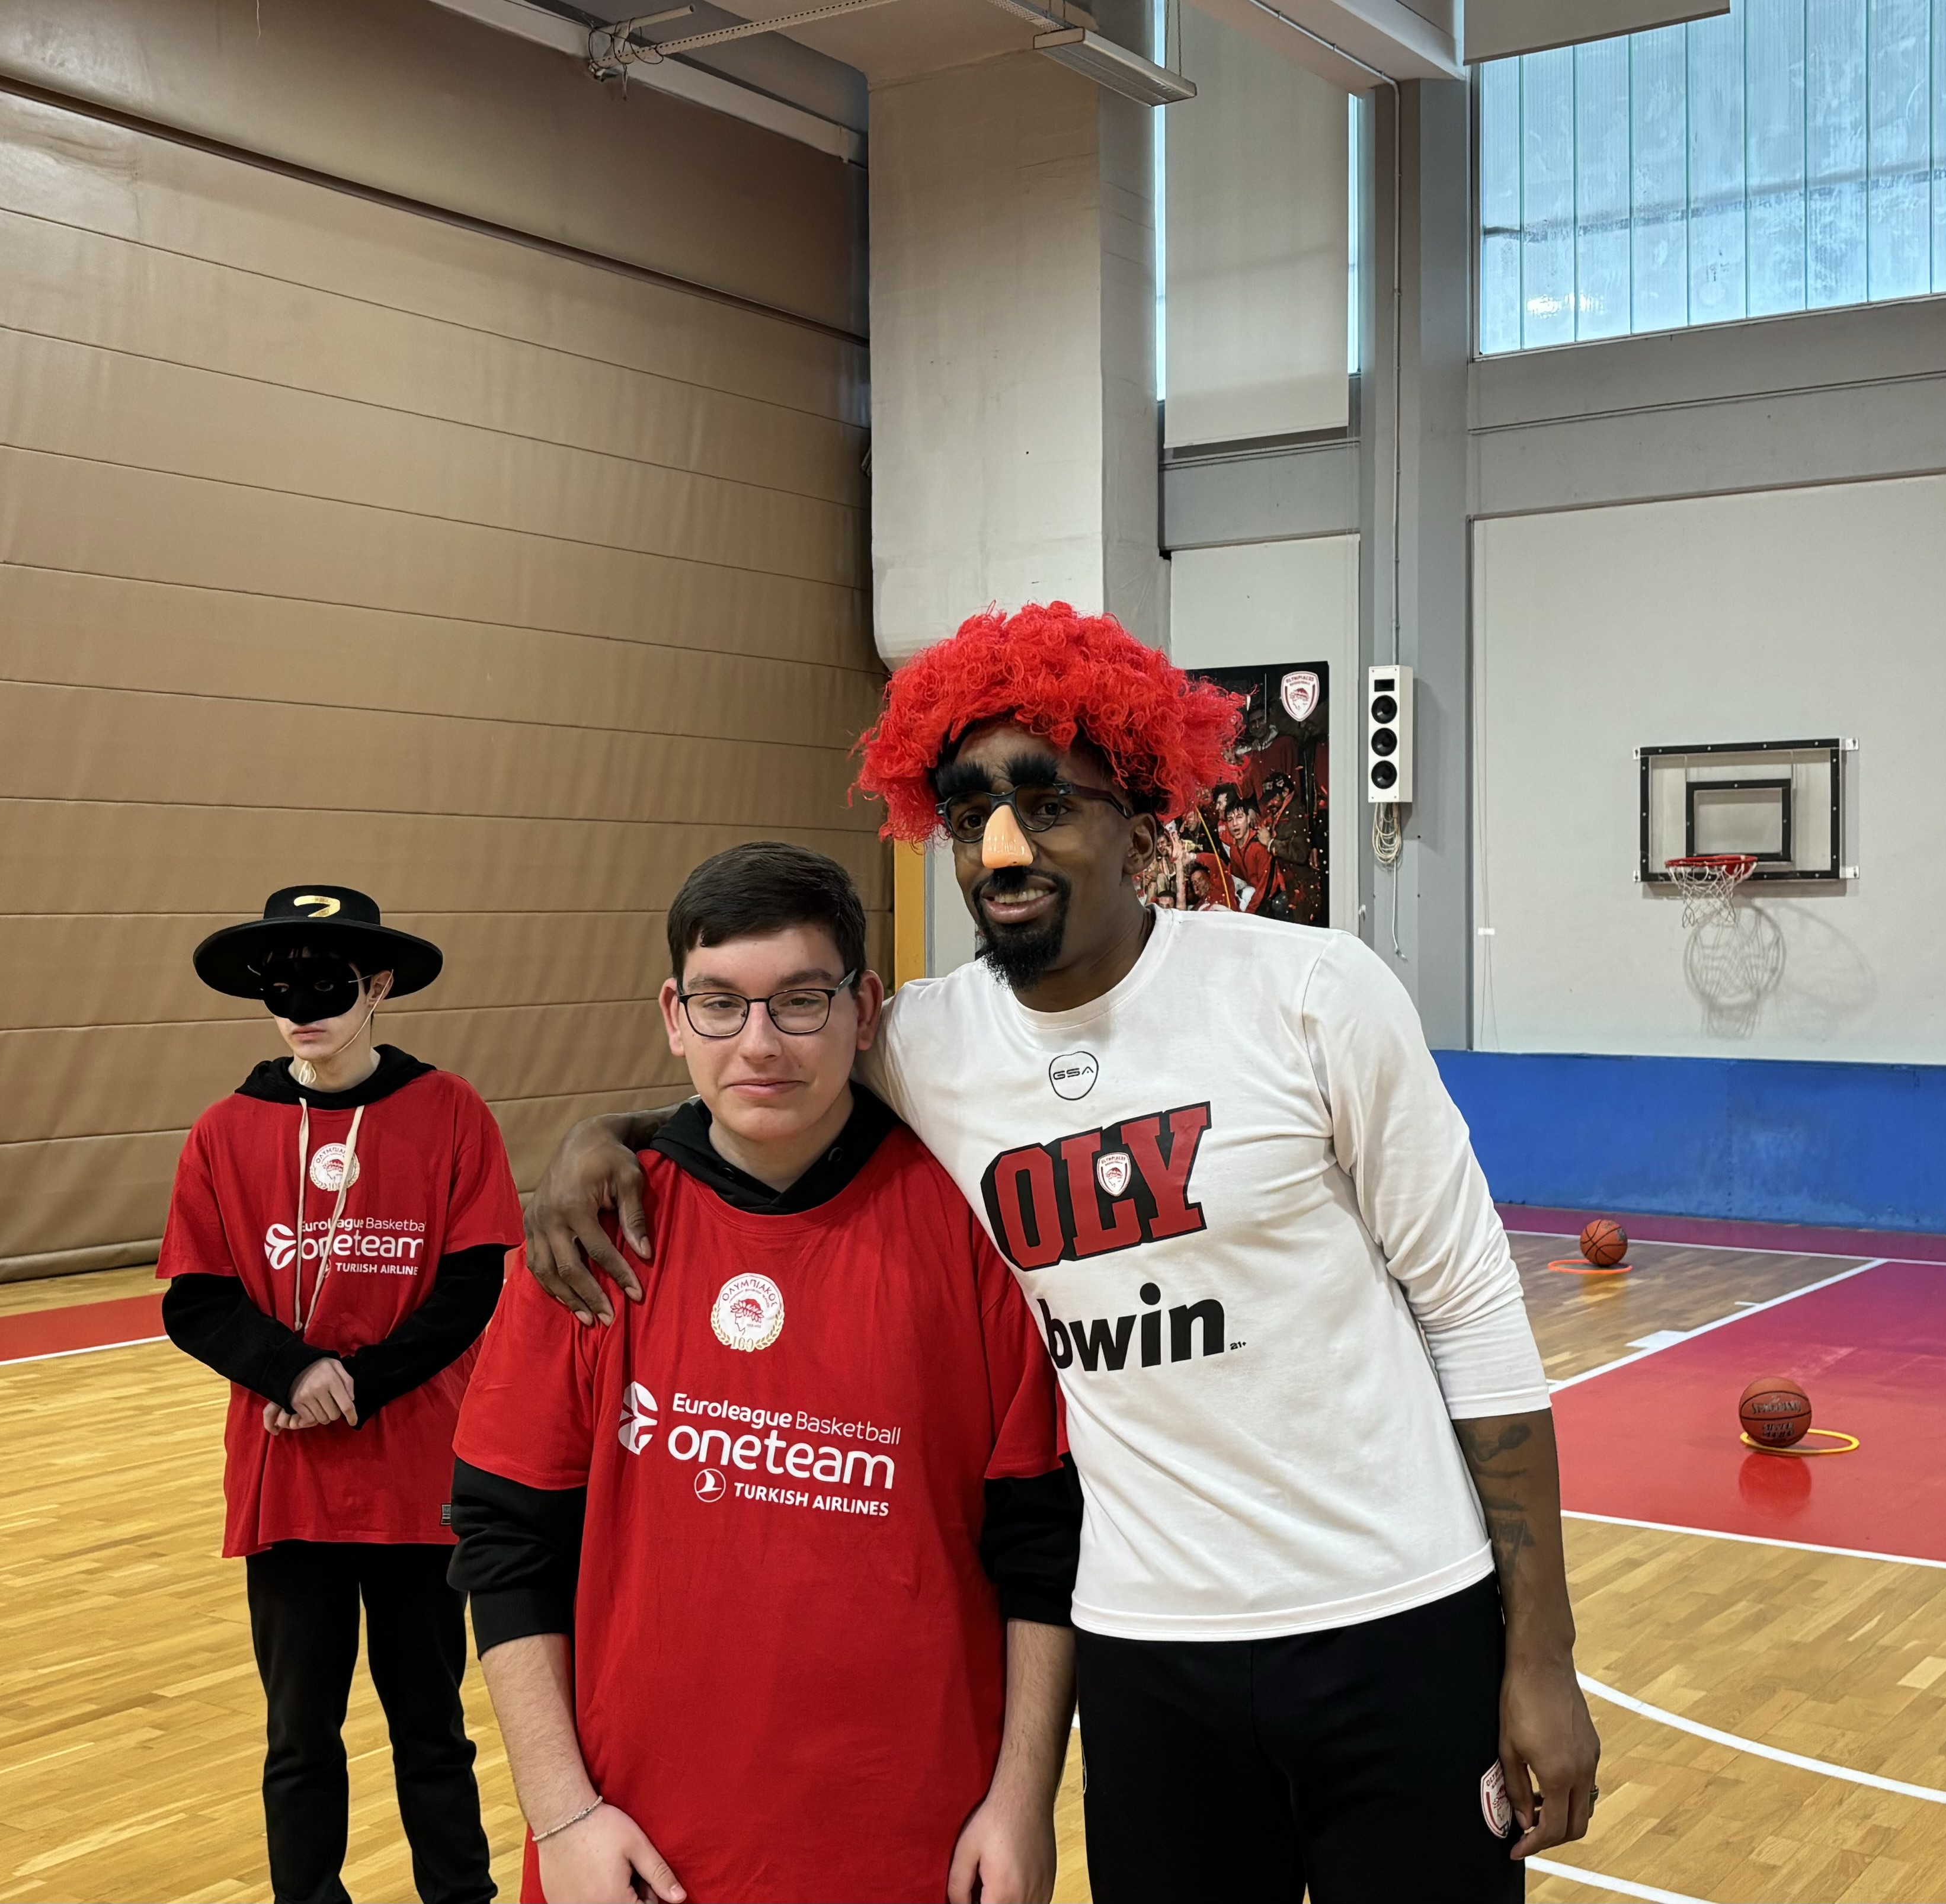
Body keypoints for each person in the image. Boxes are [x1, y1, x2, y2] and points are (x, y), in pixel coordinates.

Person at [522, 603, 1598, 1903]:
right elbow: (763, 1074)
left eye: (1047, 803)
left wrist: (1542, 1652)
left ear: (1139, 826)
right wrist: (605, 1136)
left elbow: (1472, 1310)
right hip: (1145, 1650)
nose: (1003, 844)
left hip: (1396, 1612)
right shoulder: (927, 1044)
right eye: (969, 809)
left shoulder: (1314, 993)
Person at [443, 842, 1080, 1904]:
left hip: (922, 1848)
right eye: (719, 1004)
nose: (759, 1042)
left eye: (799, 1000)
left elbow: (1041, 1541)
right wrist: (563, 1815)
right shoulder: (588, 1240)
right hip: (638, 1858)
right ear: (673, 1014)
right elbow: (505, 1540)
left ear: (862, 1007)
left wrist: (1022, 1801)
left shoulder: (972, 1231)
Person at [160, 886, 516, 1904]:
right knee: (300, 1733)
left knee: (431, 1725)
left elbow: (471, 1286)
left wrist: (354, 1382)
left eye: (327, 985)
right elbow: (196, 1299)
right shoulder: (225, 1130)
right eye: (282, 989)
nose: (302, 1009)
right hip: (290, 1484)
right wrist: (292, 1370)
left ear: (378, 985)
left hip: (414, 1477)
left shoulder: (450, 1112)